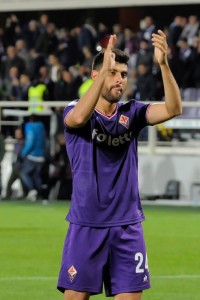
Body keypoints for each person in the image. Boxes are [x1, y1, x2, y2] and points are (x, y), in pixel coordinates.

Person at [57, 30, 182, 300]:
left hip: (127, 226)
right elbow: (78, 118)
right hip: (86, 223)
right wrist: (103, 70)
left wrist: (163, 64)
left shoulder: (133, 113)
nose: (119, 80)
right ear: (96, 75)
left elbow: (173, 109)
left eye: (123, 75)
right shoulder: (75, 110)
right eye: (113, 73)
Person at [20, 114, 47, 201]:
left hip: (32, 156)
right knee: (36, 175)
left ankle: (32, 190)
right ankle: (39, 194)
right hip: (41, 156)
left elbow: (30, 142)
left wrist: (23, 153)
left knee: (24, 173)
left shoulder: (30, 126)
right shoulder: (42, 128)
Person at [3, 127, 27, 199]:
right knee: (9, 183)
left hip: (20, 167)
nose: (17, 134)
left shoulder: (23, 143)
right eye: (16, 133)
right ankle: (7, 196)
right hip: (15, 167)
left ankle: (25, 196)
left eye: (18, 133)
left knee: (23, 183)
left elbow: (22, 154)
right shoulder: (17, 143)